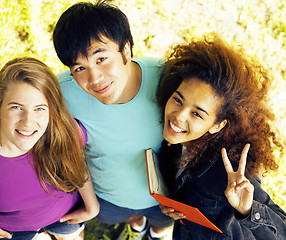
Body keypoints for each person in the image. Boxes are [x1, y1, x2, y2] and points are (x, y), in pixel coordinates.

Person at [52, 1, 173, 239]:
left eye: (101, 59)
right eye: (79, 68)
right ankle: (137, 226)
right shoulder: (61, 93)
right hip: (106, 197)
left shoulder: (167, 79)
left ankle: (155, 234)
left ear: (125, 50)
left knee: (162, 223)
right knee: (127, 217)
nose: (94, 78)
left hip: (165, 197)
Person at [156, 35, 286, 239]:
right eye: (178, 100)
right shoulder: (177, 140)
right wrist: (175, 206)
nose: (179, 116)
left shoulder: (231, 171)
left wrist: (248, 210)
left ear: (218, 125)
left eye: (197, 113)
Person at [0, 57, 100, 240]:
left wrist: (91, 205)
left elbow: (77, 164)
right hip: (14, 231)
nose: (28, 122)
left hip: (66, 216)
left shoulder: (62, 132)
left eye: (39, 108)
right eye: (16, 107)